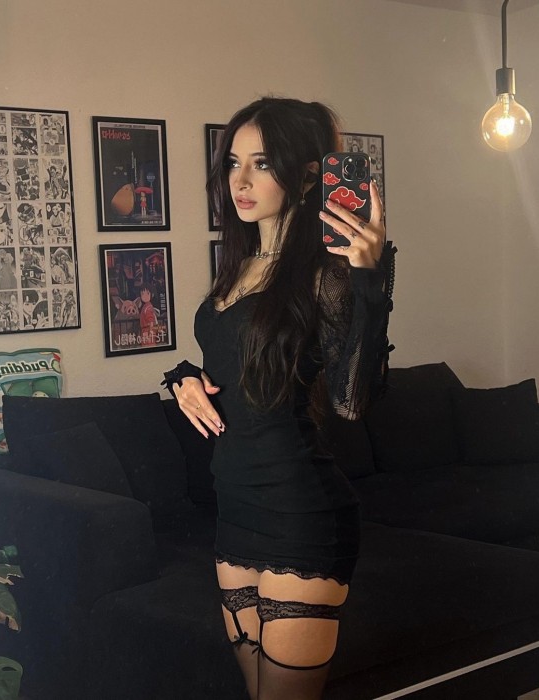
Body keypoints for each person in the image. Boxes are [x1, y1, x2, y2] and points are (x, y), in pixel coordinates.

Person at [163, 97, 395, 700]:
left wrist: (371, 281)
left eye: (262, 163)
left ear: (308, 174)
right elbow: (232, 361)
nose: (239, 180)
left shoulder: (327, 273)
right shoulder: (237, 268)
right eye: (233, 162)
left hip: (301, 513)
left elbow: (350, 402)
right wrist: (182, 377)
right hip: (234, 507)